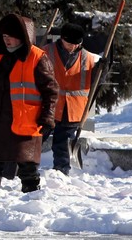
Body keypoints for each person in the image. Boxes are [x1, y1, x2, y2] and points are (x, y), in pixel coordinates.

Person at [0, 13, 59, 193]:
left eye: (11, 36)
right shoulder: (0, 57)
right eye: (4, 36)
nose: (7, 40)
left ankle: (32, 196)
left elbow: (51, 90)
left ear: (23, 36)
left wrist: (48, 117)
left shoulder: (37, 58)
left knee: (26, 164)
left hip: (23, 120)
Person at [42, 23, 99, 175]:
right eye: (69, 43)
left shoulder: (88, 57)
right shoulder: (46, 52)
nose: (73, 47)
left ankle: (61, 172)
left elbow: (95, 82)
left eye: (77, 44)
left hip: (73, 109)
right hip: (48, 106)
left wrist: (102, 71)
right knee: (36, 139)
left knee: (62, 143)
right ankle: (23, 167)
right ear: (62, 39)